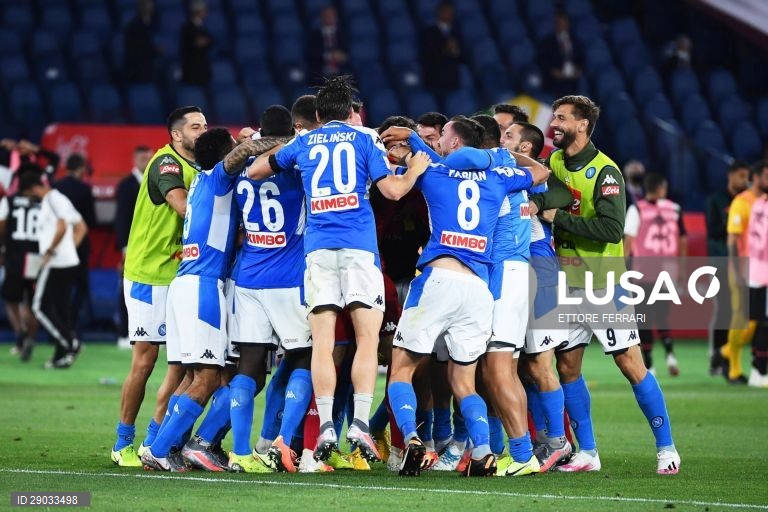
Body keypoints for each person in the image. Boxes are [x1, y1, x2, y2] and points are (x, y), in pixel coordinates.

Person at [247, 76, 431, 464]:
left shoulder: (303, 142)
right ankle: (360, 423)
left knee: (324, 342)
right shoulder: (366, 138)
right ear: (350, 111)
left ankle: (327, 422)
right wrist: (414, 169)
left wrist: (285, 155)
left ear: (317, 114)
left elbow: (256, 171)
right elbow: (394, 192)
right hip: (358, 251)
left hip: (318, 252)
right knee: (367, 340)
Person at [380, 116, 546, 477]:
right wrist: (498, 157)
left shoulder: (434, 172)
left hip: (439, 279)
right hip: (478, 289)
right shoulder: (498, 178)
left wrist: (410, 141)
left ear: (454, 143)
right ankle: (484, 450)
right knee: (465, 381)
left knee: (402, 370)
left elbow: (413, 161)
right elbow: (541, 174)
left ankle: (412, 440)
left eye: (444, 138)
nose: (438, 144)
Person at [539, 95, 680, 474]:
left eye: (563, 117)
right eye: (554, 116)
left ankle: (666, 448)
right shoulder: (553, 161)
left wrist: (558, 219)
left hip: (604, 285)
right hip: (567, 284)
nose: (555, 123)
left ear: (583, 124)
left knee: (630, 363)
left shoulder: (606, 171)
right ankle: (588, 452)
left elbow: (611, 229)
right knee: (567, 367)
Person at [141, 128, 254, 472]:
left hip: (184, 285)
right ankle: (161, 448)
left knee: (191, 378)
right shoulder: (219, 177)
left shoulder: (200, 184)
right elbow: (236, 157)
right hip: (203, 286)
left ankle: (161, 446)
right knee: (207, 378)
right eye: (234, 149)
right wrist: (268, 144)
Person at [111, 106, 206, 468]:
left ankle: (155, 440)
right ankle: (123, 442)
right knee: (146, 359)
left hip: (180, 274)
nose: (202, 131)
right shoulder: (165, 164)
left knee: (182, 363)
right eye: (195, 127)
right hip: (149, 275)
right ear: (176, 135)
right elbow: (182, 206)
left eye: (205, 126)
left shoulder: (199, 166)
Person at [226, 107, 311, 474]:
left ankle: (241, 453)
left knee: (248, 365)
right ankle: (284, 443)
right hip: (289, 279)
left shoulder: (242, 168)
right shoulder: (294, 164)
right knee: (305, 357)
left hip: (248, 279)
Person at [504, 121, 575, 472]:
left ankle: (559, 442)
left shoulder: (537, 176)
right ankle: (547, 438)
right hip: (519, 270)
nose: (502, 140)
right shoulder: (505, 173)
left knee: (541, 363)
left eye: (509, 136)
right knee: (525, 364)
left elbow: (563, 195)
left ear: (526, 148)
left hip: (540, 269)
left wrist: (536, 203)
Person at [21, 171, 87, 369]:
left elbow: (62, 226)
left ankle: (70, 343)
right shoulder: (60, 199)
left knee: (38, 307)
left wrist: (52, 250)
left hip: (55, 262)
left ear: (30, 189)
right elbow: (81, 227)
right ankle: (61, 355)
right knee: (59, 309)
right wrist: (69, 249)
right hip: (66, 261)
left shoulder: (52, 199)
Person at [624, 172, 686, 376]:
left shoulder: (636, 209)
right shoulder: (674, 209)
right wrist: (683, 268)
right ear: (662, 188)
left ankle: (649, 364)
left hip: (643, 272)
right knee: (663, 316)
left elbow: (629, 242)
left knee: (644, 318)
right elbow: (683, 239)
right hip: (668, 271)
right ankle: (671, 356)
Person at [706, 162, 750, 375]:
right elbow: (713, 230)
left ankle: (729, 354)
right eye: (741, 176)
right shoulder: (716, 200)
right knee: (724, 309)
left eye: (747, 176)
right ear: (730, 175)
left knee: (743, 313)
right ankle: (717, 357)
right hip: (721, 261)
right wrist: (734, 223)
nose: (745, 180)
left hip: (745, 264)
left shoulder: (747, 201)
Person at [721, 162, 763, 384]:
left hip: (761, 270)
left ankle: (729, 349)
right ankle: (734, 369)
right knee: (742, 319)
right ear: (756, 177)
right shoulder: (742, 202)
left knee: (756, 322)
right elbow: (733, 239)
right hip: (742, 268)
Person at [0, 165, 42, 360]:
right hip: (37, 257)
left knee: (12, 300)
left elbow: (1, 225)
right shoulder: (44, 202)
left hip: (15, 256)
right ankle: (30, 339)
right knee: (32, 303)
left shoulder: (9, 201)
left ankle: (20, 334)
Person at [114, 146, 153, 348]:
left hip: (154, 246)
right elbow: (121, 219)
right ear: (134, 159)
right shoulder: (126, 185)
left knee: (156, 288)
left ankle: (154, 333)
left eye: (149, 157)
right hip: (132, 247)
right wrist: (123, 247)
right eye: (143, 157)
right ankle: (124, 333)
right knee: (127, 289)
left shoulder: (157, 182)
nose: (146, 160)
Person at [54, 154, 96, 335]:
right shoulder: (84, 189)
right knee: (80, 287)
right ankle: (71, 327)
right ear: (81, 168)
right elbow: (91, 221)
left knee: (58, 288)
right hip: (79, 246)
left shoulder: (55, 188)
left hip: (57, 244)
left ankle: (57, 328)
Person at [745, 163, 768, 388]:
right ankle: (760, 370)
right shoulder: (758, 204)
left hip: (756, 270)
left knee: (759, 321)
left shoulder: (758, 205)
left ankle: (756, 369)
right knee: (763, 322)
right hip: (761, 272)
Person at [420, 3, 462, 96]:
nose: (449, 15)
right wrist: (445, 49)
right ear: (439, 13)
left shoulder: (456, 32)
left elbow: (461, 55)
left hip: (452, 80)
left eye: (451, 12)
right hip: (435, 80)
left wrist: (456, 51)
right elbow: (427, 54)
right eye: (446, 12)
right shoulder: (429, 32)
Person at [540, 11, 583, 98]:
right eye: (559, 22)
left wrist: (579, 69)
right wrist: (553, 71)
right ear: (555, 24)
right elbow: (542, 59)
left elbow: (581, 57)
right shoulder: (547, 42)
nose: (562, 25)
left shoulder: (575, 40)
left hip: (572, 81)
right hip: (555, 82)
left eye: (564, 22)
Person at [123, 0, 160, 83]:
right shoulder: (132, 27)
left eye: (149, 4)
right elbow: (140, 49)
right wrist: (156, 50)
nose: (147, 7)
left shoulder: (154, 24)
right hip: (138, 68)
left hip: (149, 63)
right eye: (144, 5)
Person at [308, 6, 348, 81]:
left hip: (340, 72)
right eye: (327, 16)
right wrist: (330, 56)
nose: (330, 18)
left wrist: (343, 56)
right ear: (322, 18)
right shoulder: (314, 35)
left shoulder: (343, 34)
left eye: (332, 16)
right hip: (321, 72)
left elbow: (347, 51)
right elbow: (312, 54)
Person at [180, 0, 213, 86]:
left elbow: (210, 41)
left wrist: (205, 41)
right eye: (204, 10)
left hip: (203, 68)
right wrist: (203, 42)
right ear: (197, 12)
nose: (206, 12)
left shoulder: (203, 27)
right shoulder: (188, 28)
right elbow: (196, 44)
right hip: (193, 69)